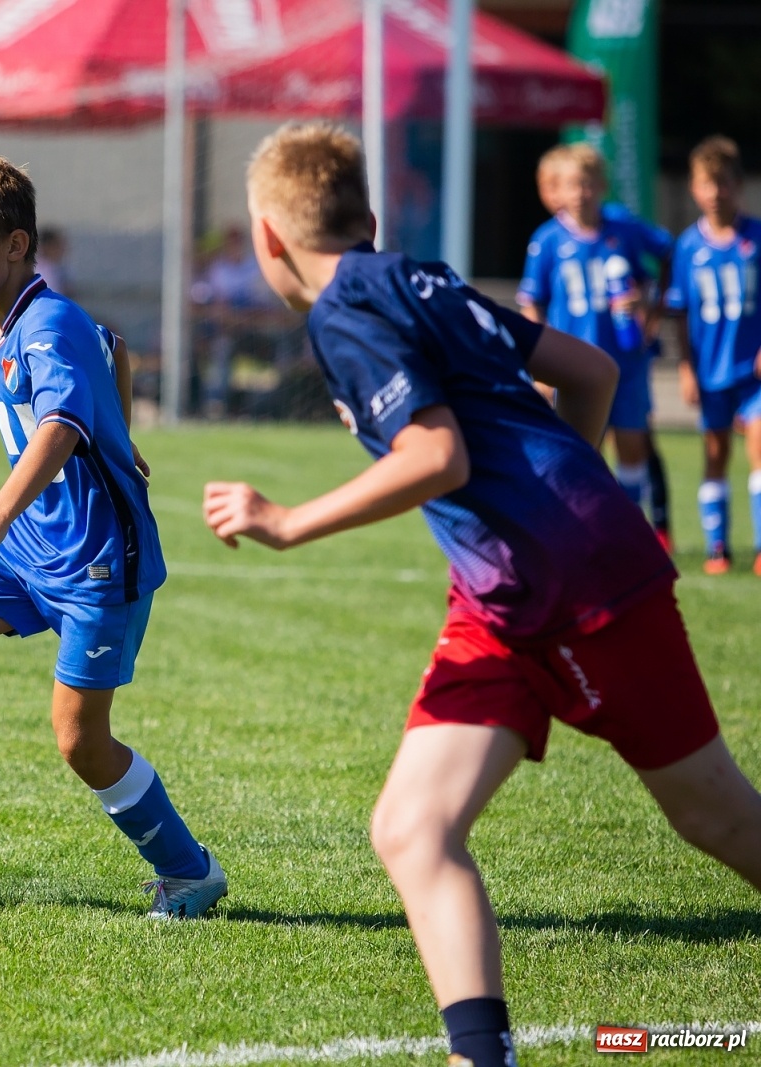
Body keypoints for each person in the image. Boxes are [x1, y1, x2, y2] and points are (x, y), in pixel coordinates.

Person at [205, 121, 761, 1067]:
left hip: (569, 584)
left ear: (267, 238)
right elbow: (591, 371)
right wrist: (560, 494)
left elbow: (436, 454)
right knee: (412, 827)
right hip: (510, 593)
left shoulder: (342, 311)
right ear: (368, 219)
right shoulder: (420, 277)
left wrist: (287, 518)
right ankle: (481, 1055)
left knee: (714, 816)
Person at [0, 157, 226, 919]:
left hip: (97, 561)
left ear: (16, 243)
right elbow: (116, 347)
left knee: (80, 741)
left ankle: (190, 871)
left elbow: (61, 425)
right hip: (28, 549)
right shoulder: (17, 318)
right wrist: (125, 433)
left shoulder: (47, 321)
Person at [534, 147, 677, 551]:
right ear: (559, 191)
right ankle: (577, 532)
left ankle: (628, 530)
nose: (580, 193)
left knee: (633, 443)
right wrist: (538, 362)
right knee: (578, 448)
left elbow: (668, 256)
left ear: (602, 186)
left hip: (625, 361)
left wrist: (650, 310)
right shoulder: (547, 240)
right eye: (572, 185)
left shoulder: (623, 229)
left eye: (588, 184)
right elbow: (533, 301)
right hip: (572, 367)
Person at [664, 136, 761, 576]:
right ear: (694, 189)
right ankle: (717, 547)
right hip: (709, 371)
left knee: (759, 446)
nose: (716, 192)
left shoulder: (755, 239)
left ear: (738, 186)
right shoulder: (687, 247)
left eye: (724, 183)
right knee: (715, 452)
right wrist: (685, 368)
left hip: (753, 372)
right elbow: (679, 313)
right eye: (708, 183)